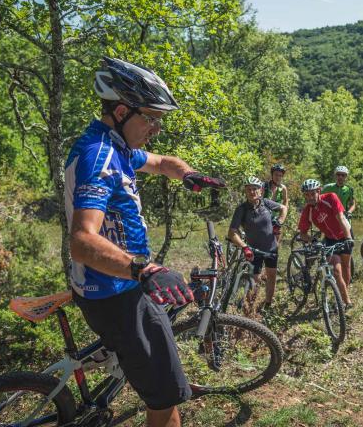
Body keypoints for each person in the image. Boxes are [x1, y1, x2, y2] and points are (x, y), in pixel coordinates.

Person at [66, 56, 225, 427]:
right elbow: (82, 241)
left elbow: (162, 162)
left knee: (152, 371)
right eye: (150, 117)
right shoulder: (99, 158)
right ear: (122, 110)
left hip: (115, 284)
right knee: (167, 398)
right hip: (117, 293)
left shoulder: (115, 144)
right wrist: (144, 270)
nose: (156, 128)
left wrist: (189, 175)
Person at [228, 176, 288, 310]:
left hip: (271, 248)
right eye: (248, 189)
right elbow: (232, 232)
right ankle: (250, 308)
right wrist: (244, 247)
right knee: (254, 280)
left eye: (255, 189)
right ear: (245, 191)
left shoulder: (266, 203)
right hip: (253, 251)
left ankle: (267, 304)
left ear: (260, 190)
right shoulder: (241, 209)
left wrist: (280, 221)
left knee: (271, 276)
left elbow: (284, 208)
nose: (252, 192)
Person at [298, 179, 353, 308]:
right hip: (329, 239)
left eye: (312, 193)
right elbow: (302, 233)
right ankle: (347, 302)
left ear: (319, 191)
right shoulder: (308, 210)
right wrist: (313, 240)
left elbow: (341, 218)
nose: (310, 197)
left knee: (346, 266)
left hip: (344, 234)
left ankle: (343, 292)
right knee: (336, 270)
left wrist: (348, 238)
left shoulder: (330, 198)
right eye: (307, 194)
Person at [263, 164, 289, 243]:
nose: (278, 177)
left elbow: (285, 201)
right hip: (262, 214)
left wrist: (282, 215)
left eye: (280, 175)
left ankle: (275, 253)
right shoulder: (264, 186)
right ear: (272, 175)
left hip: (274, 216)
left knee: (277, 235)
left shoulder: (283, 188)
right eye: (276, 175)